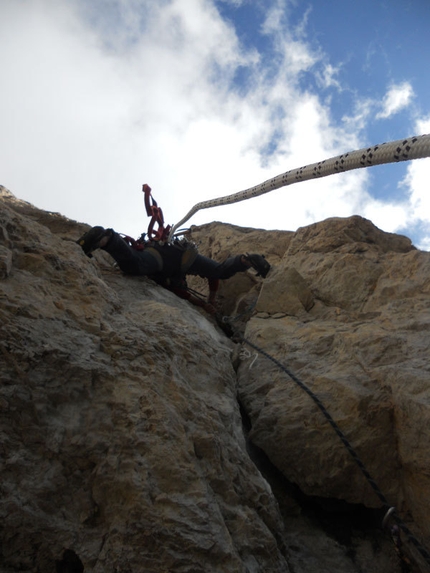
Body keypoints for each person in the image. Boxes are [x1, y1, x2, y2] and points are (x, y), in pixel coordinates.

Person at [77, 226, 271, 311]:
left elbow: (192, 286)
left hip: (166, 256)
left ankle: (107, 238)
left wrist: (208, 301)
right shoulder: (177, 282)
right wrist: (206, 302)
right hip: (177, 255)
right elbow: (211, 276)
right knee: (221, 270)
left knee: (136, 264)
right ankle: (245, 260)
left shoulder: (175, 281)